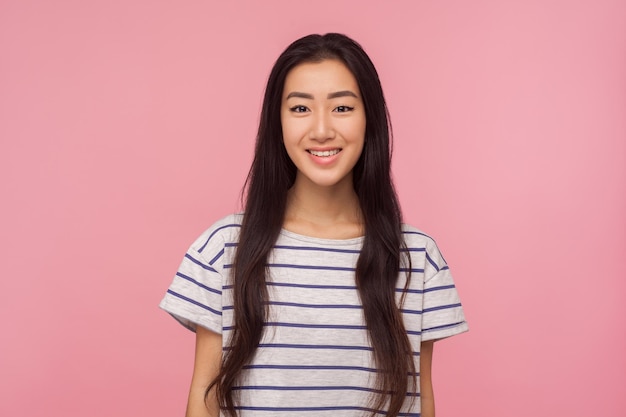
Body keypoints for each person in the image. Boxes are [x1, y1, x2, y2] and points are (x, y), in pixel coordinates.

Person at [160, 33, 468, 417]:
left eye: (342, 108)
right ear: (278, 122)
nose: (321, 130)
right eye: (300, 109)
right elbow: (203, 402)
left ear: (370, 117)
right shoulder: (224, 249)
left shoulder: (418, 258)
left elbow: (421, 403)